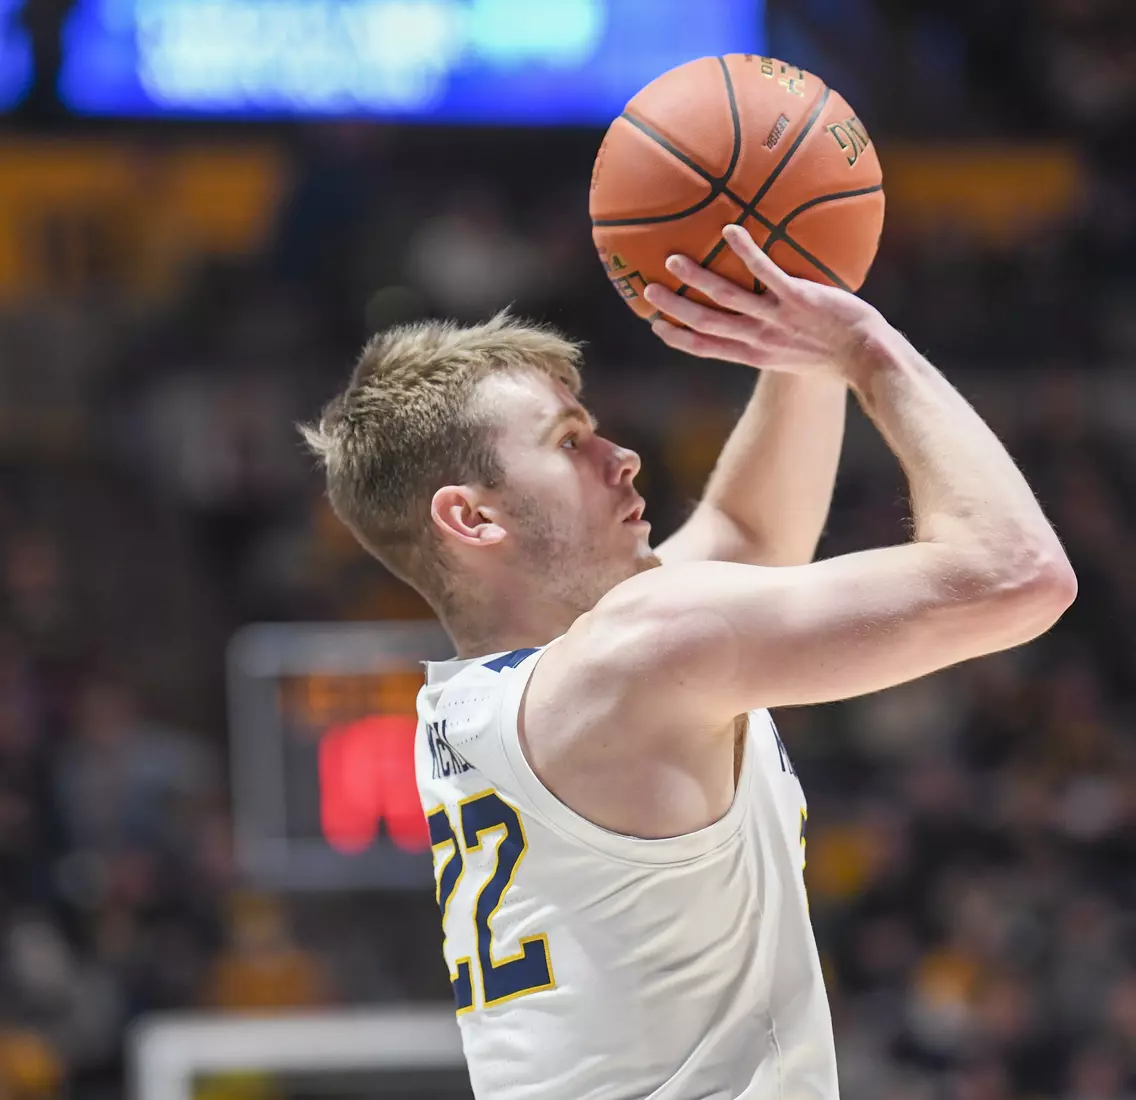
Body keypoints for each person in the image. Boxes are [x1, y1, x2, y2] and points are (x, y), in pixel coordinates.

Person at [301, 225, 1076, 1100]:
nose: (621, 457)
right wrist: (867, 349)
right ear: (473, 519)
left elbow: (749, 537)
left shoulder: (483, 702)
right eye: (568, 442)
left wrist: (799, 332)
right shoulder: (637, 651)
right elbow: (1019, 575)